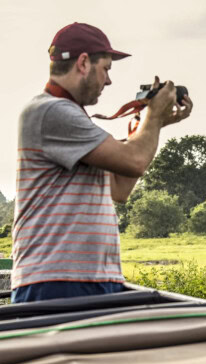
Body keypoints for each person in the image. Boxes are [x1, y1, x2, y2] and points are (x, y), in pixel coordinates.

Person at [11, 22, 193, 303]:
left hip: (89, 277)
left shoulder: (72, 118)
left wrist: (149, 123)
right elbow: (134, 161)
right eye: (106, 68)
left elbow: (120, 188)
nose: (108, 80)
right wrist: (152, 118)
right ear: (84, 62)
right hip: (58, 279)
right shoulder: (51, 111)